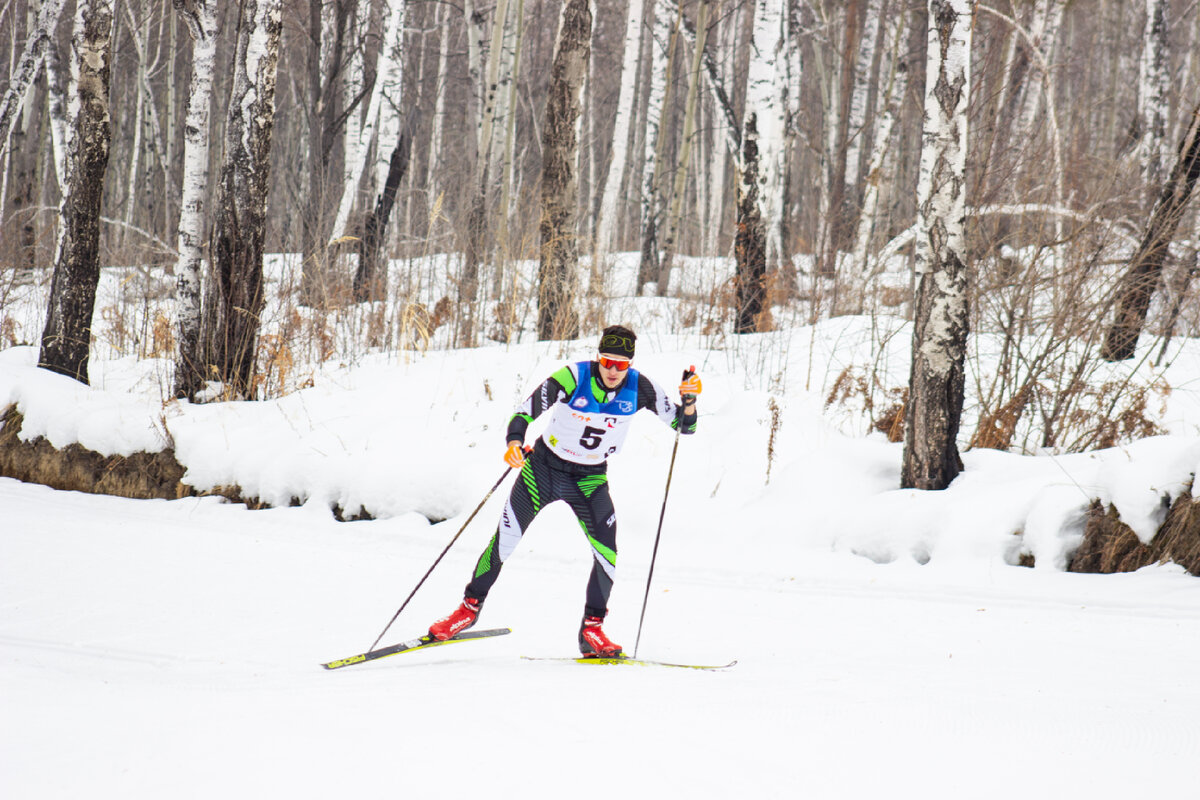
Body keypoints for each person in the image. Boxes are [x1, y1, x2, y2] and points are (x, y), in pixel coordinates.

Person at [427, 325, 702, 656]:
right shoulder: (574, 377)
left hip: (589, 479)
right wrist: (515, 443)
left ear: (630, 364)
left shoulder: (640, 387)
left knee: (608, 552)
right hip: (542, 470)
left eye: (621, 364)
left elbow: (685, 427)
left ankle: (592, 630)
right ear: (598, 358)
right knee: (505, 540)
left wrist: (689, 401)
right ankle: (468, 610)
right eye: (607, 361)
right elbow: (524, 412)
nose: (613, 370)